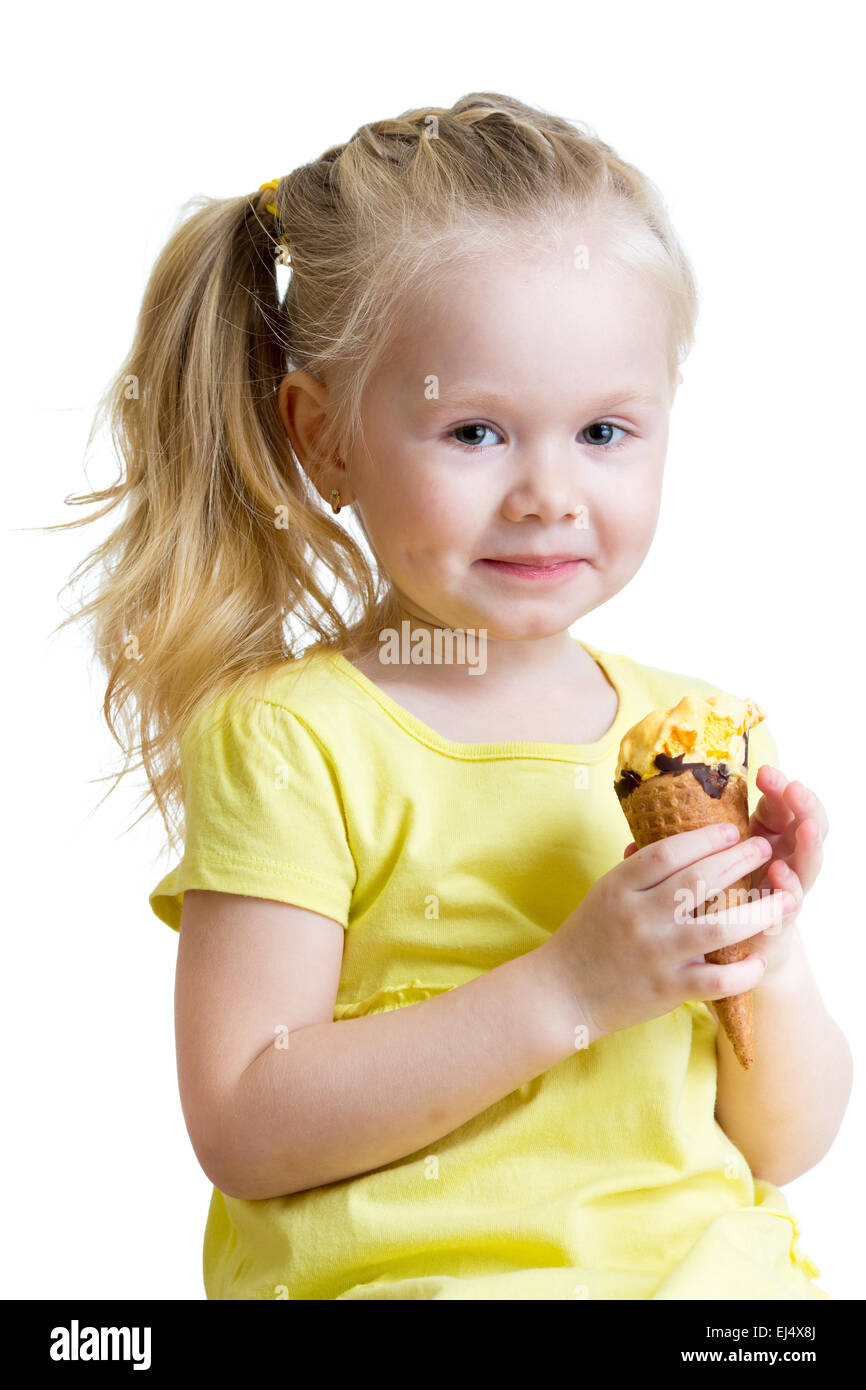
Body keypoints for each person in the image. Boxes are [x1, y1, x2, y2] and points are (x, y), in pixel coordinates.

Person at [58, 92, 851, 1299]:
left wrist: (763, 954)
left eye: (601, 428)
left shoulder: (698, 737)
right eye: (475, 431)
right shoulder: (293, 739)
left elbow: (780, 1142)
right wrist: (570, 989)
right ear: (323, 439)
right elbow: (243, 1120)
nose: (546, 491)